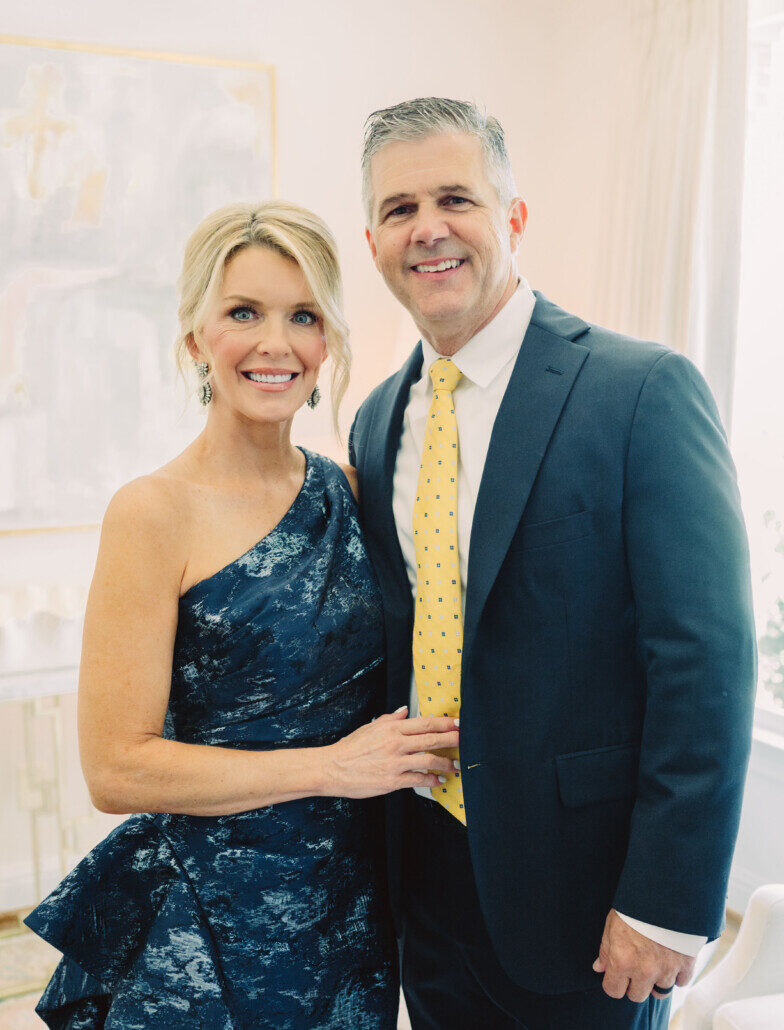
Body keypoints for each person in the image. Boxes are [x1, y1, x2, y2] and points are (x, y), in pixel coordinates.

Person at [349, 97, 757, 1030]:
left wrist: (665, 903)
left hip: (591, 904)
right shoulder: (377, 421)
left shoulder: (640, 390)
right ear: (372, 239)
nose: (429, 229)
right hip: (429, 888)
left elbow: (705, 660)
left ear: (514, 217)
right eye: (401, 209)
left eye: (456, 197)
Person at [24, 200, 459, 1029]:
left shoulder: (349, 489)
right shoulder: (153, 512)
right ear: (195, 338)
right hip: (211, 925)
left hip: (354, 916)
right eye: (243, 313)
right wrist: (333, 767)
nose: (275, 343)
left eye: (302, 315)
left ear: (327, 339)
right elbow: (117, 769)